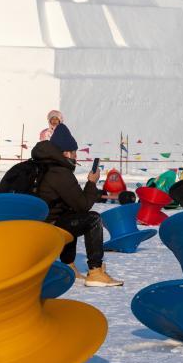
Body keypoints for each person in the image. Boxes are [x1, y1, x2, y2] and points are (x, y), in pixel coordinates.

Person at [32, 123, 122, 287]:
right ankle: (95, 272)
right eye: (74, 152)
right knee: (92, 219)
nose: (76, 156)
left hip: (41, 223)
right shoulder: (59, 172)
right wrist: (92, 183)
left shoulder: (46, 166)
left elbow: (74, 203)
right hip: (48, 227)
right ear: (66, 152)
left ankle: (68, 266)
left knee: (71, 215)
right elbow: (83, 205)